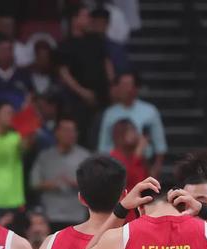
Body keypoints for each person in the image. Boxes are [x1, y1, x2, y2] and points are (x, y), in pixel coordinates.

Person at [58, 4, 113, 144]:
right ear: (74, 19)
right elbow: (64, 73)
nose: (89, 19)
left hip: (102, 99)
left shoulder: (96, 40)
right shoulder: (66, 45)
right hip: (78, 102)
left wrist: (112, 84)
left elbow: (106, 63)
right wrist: (83, 92)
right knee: (82, 137)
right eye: (85, 16)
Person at [98, 72, 167, 175]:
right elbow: (103, 145)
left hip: (144, 163)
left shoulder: (150, 111)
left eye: (128, 85)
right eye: (122, 85)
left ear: (136, 88)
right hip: (115, 166)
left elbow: (160, 144)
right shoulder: (110, 113)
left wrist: (156, 168)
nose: (125, 89)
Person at [30, 117, 89, 231]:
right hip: (50, 215)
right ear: (56, 133)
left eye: (73, 131)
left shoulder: (85, 156)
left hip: (77, 216)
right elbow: (34, 183)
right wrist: (50, 184)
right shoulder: (45, 156)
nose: (70, 134)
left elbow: (94, 184)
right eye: (66, 130)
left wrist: (77, 183)